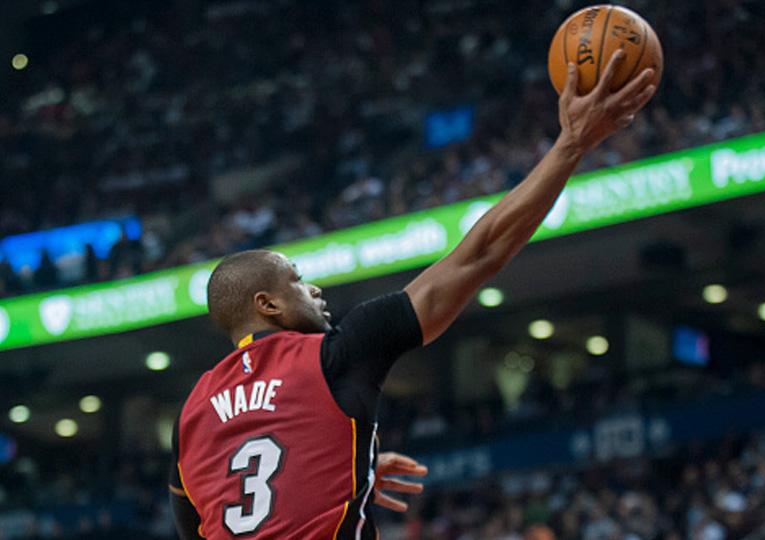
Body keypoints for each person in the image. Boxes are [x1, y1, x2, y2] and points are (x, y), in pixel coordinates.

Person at [169, 52, 657, 539]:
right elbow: (480, 253)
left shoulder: (192, 412)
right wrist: (571, 144)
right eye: (296, 279)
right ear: (267, 305)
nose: (313, 287)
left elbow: (207, 521)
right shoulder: (337, 352)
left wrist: (345, 469)